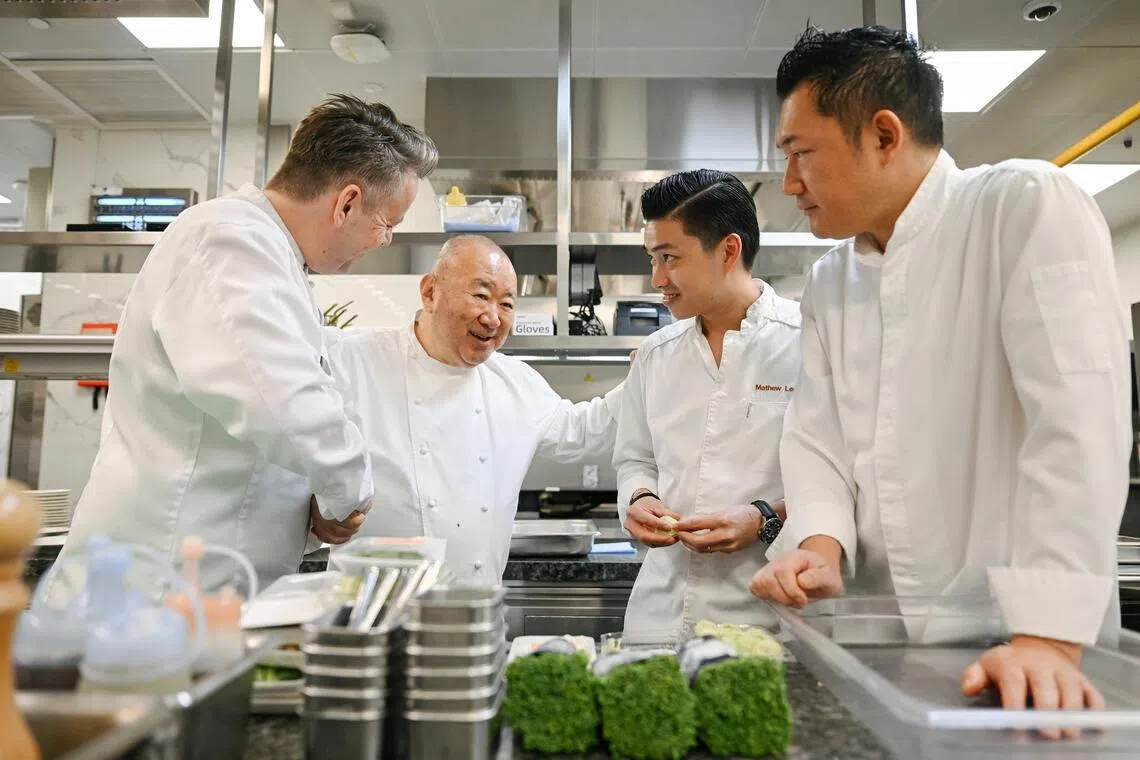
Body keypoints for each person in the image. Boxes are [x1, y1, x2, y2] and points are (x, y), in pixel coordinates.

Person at [749, 26, 1127, 721]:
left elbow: (1078, 424)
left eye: (802, 154)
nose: (790, 183)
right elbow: (816, 440)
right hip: (884, 647)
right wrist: (820, 545)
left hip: (1026, 649)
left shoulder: (1022, 205)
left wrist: (1046, 638)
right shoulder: (832, 279)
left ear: (884, 136)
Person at [63, 95, 439, 589]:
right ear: (346, 202)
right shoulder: (227, 239)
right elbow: (285, 400)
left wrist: (318, 503)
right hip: (154, 590)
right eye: (388, 223)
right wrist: (348, 495)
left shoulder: (272, 256)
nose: (387, 239)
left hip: (207, 586)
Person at [325, 235, 621, 584]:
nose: (493, 318)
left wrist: (652, 371)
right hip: (366, 617)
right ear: (430, 292)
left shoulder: (515, 383)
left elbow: (585, 430)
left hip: (472, 615)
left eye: (507, 304)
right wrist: (315, 506)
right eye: (481, 295)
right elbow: (284, 436)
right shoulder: (351, 358)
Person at [613, 170, 802, 643]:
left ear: (728, 250)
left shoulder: (808, 344)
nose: (658, 279)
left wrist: (763, 518)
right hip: (659, 614)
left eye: (669, 258)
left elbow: (846, 478)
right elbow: (634, 459)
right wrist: (639, 498)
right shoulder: (656, 355)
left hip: (766, 618)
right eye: (653, 259)